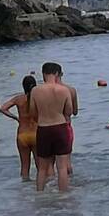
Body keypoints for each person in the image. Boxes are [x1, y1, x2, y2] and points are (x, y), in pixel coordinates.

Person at [30, 62, 73, 192]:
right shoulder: (64, 90)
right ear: (56, 74)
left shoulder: (35, 91)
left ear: (43, 73)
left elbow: (32, 112)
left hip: (43, 128)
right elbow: (69, 112)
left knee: (42, 168)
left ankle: (40, 194)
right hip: (60, 128)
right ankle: (63, 196)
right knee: (62, 167)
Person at [1, 75, 38, 180]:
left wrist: (16, 118)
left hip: (22, 135)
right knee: (40, 167)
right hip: (36, 134)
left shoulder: (19, 99)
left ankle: (24, 191)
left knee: (24, 168)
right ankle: (41, 193)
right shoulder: (37, 99)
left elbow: (3, 108)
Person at [59, 68, 78, 174]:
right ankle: (69, 185)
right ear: (61, 74)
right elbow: (75, 112)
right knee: (67, 161)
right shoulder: (71, 90)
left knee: (49, 162)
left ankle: (50, 187)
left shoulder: (45, 90)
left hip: (49, 125)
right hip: (66, 126)